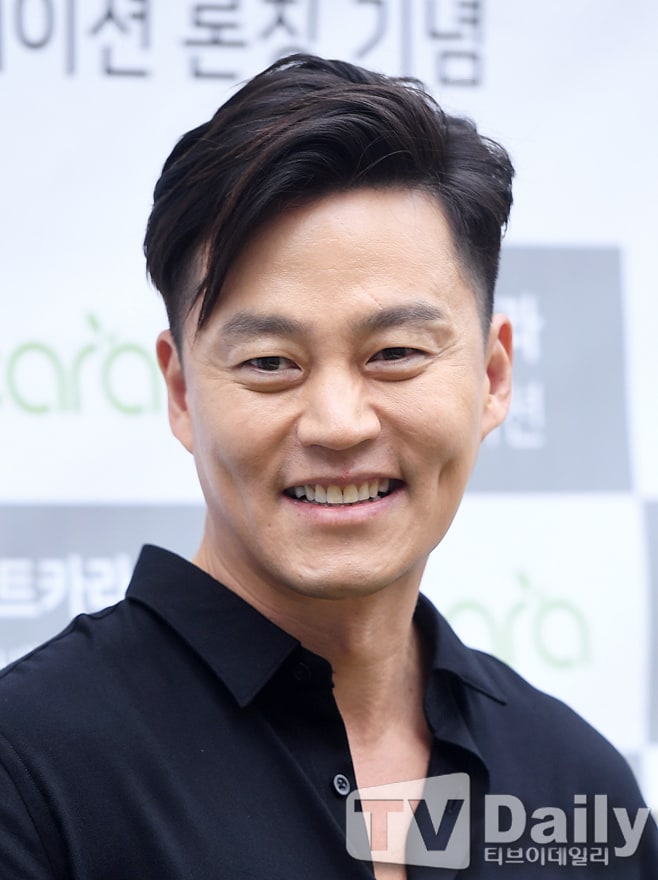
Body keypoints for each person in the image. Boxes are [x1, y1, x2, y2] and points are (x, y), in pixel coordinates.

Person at [0, 54, 655, 879]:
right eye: (271, 363)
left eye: (395, 353)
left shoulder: (575, 781)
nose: (339, 424)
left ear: (492, 377)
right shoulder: (30, 771)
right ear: (182, 391)